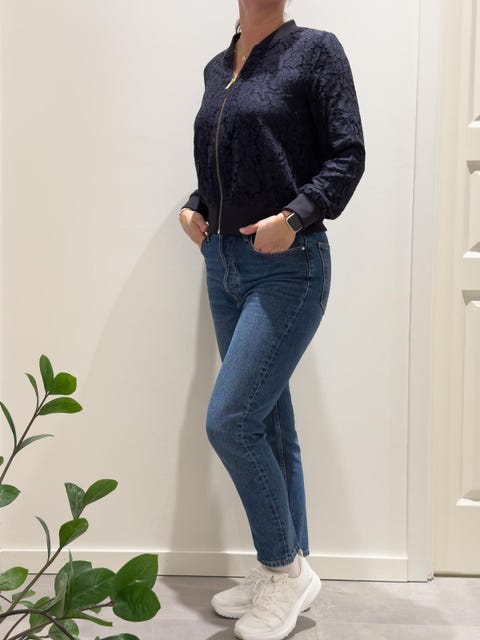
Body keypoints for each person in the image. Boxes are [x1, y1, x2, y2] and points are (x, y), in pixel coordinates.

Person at [179, 1, 365, 638]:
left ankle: (282, 570)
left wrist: (295, 216)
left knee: (230, 420)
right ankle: (288, 565)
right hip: (223, 263)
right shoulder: (217, 67)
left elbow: (347, 154)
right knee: (268, 421)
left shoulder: (314, 50)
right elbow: (226, 163)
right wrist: (195, 205)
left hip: (290, 264)